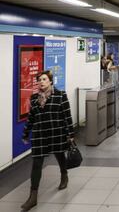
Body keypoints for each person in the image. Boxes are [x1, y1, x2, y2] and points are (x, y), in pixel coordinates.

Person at [20, 70, 75, 211]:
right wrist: (26, 133)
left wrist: (71, 134)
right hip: (39, 135)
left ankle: (64, 175)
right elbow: (31, 118)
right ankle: (33, 197)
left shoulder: (60, 95)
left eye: (44, 79)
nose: (41, 82)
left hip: (56, 133)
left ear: (51, 81)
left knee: (59, 155)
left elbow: (67, 116)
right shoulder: (34, 98)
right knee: (36, 163)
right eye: (39, 79)